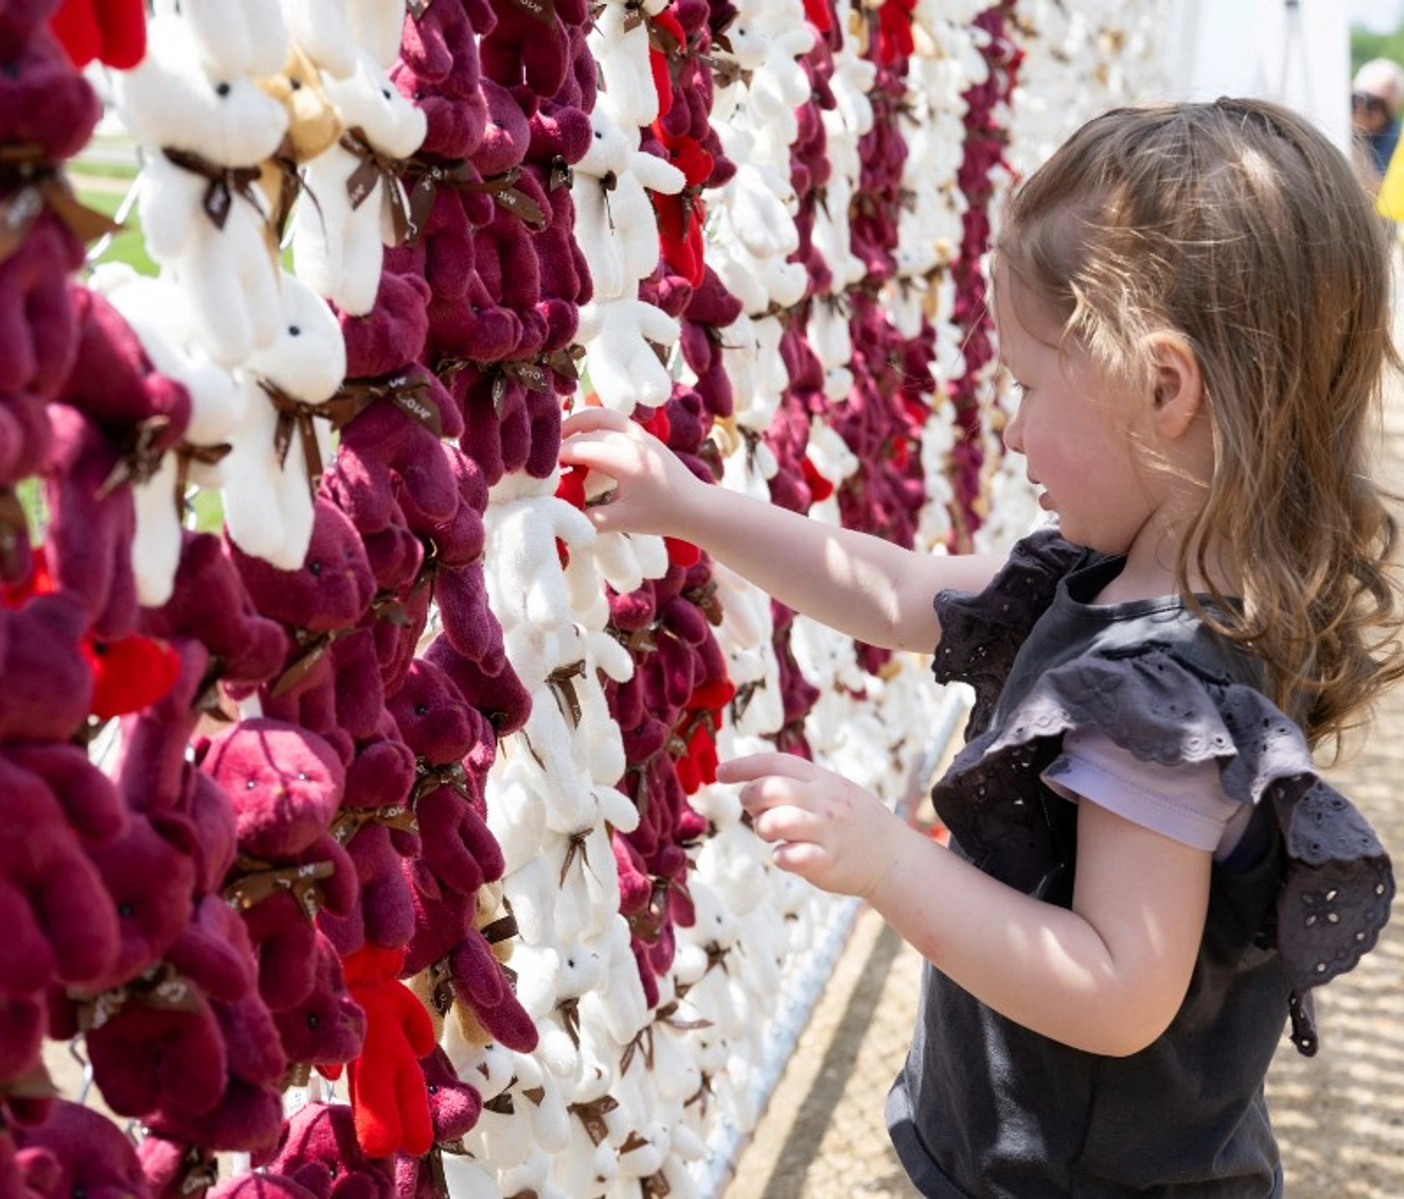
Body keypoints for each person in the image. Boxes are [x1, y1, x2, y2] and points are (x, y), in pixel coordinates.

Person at [560, 98, 1401, 1197]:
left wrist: (888, 862)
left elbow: (1116, 986)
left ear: (1163, 388)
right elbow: (896, 588)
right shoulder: (1107, 584)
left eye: (1028, 386)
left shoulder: (1165, 701)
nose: (1007, 428)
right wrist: (693, 506)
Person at [1352, 57, 1403, 197]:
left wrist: (1359, 137)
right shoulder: (1344, 127)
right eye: (1357, 99)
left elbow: (1375, 193)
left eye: (1375, 103)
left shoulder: (1398, 140)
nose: (1363, 108)